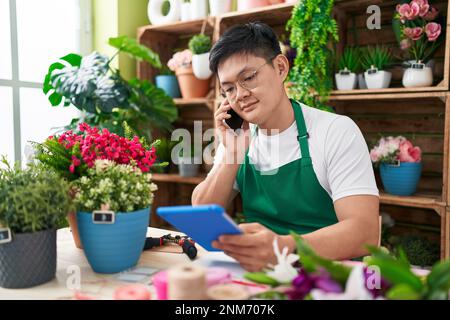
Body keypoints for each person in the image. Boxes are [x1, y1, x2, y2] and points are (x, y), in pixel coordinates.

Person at [191, 22, 379, 272]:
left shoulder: (336, 131)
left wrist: (284, 246)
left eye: (248, 78)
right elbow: (201, 212)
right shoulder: (239, 137)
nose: (240, 95)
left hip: (329, 277)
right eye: (229, 89)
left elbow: (364, 233)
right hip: (263, 276)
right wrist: (232, 155)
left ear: (280, 68)